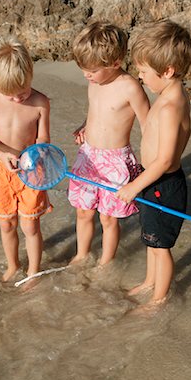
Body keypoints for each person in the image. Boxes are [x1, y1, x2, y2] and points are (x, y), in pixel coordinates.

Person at [116, 19, 191, 307]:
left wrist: (134, 186)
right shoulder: (168, 94)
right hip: (153, 180)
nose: (140, 77)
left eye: (144, 71)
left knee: (161, 247)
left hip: (163, 184)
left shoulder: (173, 105)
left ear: (168, 70)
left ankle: (159, 299)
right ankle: (150, 282)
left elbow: (164, 159)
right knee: (151, 238)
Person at [68, 21, 150, 266]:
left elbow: (149, 125)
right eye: (83, 69)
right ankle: (82, 254)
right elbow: (96, 110)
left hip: (115, 161)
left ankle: (106, 261)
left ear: (115, 63)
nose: (86, 75)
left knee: (108, 218)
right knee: (83, 211)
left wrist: (150, 164)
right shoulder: (94, 81)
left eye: (91, 70)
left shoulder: (130, 87)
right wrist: (85, 126)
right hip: (88, 155)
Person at [0, 36, 52, 283]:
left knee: (30, 227)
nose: (18, 99)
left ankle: (33, 271)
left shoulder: (40, 102)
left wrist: (37, 154)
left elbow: (43, 138)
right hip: (0, 170)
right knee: (7, 225)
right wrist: (2, 154)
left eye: (23, 92)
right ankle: (13, 266)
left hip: (30, 172)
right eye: (11, 95)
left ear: (30, 75)